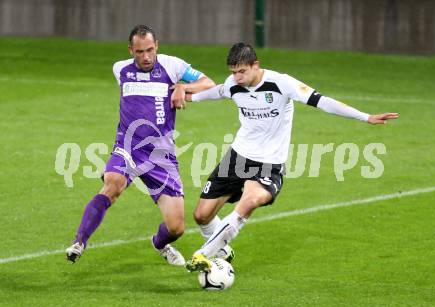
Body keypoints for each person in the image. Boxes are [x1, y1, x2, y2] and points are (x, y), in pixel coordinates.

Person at [184, 42, 399, 272]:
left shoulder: (281, 83)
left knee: (250, 201)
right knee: (201, 216)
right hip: (237, 157)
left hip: (269, 163)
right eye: (233, 72)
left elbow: (322, 101)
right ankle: (221, 249)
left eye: (242, 71)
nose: (237, 77)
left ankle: (203, 254)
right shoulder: (233, 85)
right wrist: (185, 96)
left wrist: (365, 117)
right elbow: (215, 92)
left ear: (256, 65)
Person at [65, 25, 215, 265]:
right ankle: (79, 241)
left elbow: (209, 83)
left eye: (150, 50)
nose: (145, 57)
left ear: (157, 46)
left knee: (176, 227)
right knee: (112, 185)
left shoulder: (173, 66)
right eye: (139, 52)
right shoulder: (120, 69)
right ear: (130, 50)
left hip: (160, 154)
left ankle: (160, 243)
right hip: (128, 145)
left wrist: (183, 86)